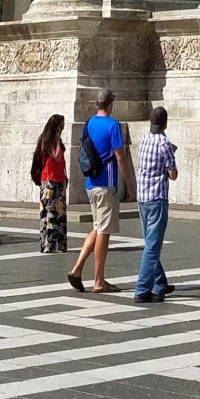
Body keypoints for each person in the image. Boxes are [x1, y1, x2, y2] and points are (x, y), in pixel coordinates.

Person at [68, 88, 133, 295]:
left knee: (97, 227)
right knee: (104, 232)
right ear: (110, 103)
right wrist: (130, 185)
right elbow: (120, 157)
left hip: (90, 183)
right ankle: (98, 280)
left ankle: (77, 269)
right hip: (106, 183)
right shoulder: (113, 125)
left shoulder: (89, 123)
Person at [134, 106, 178, 302]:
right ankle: (142, 289)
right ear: (165, 123)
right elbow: (173, 174)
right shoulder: (164, 143)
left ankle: (160, 282)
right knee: (152, 246)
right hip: (157, 197)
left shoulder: (144, 139)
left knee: (151, 242)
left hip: (142, 197)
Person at [30, 114, 67, 254]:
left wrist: (65, 178)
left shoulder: (58, 141)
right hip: (49, 181)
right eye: (60, 127)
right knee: (49, 214)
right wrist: (57, 138)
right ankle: (48, 244)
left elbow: (62, 160)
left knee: (60, 215)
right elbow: (56, 156)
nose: (62, 129)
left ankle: (59, 244)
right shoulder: (46, 142)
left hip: (60, 179)